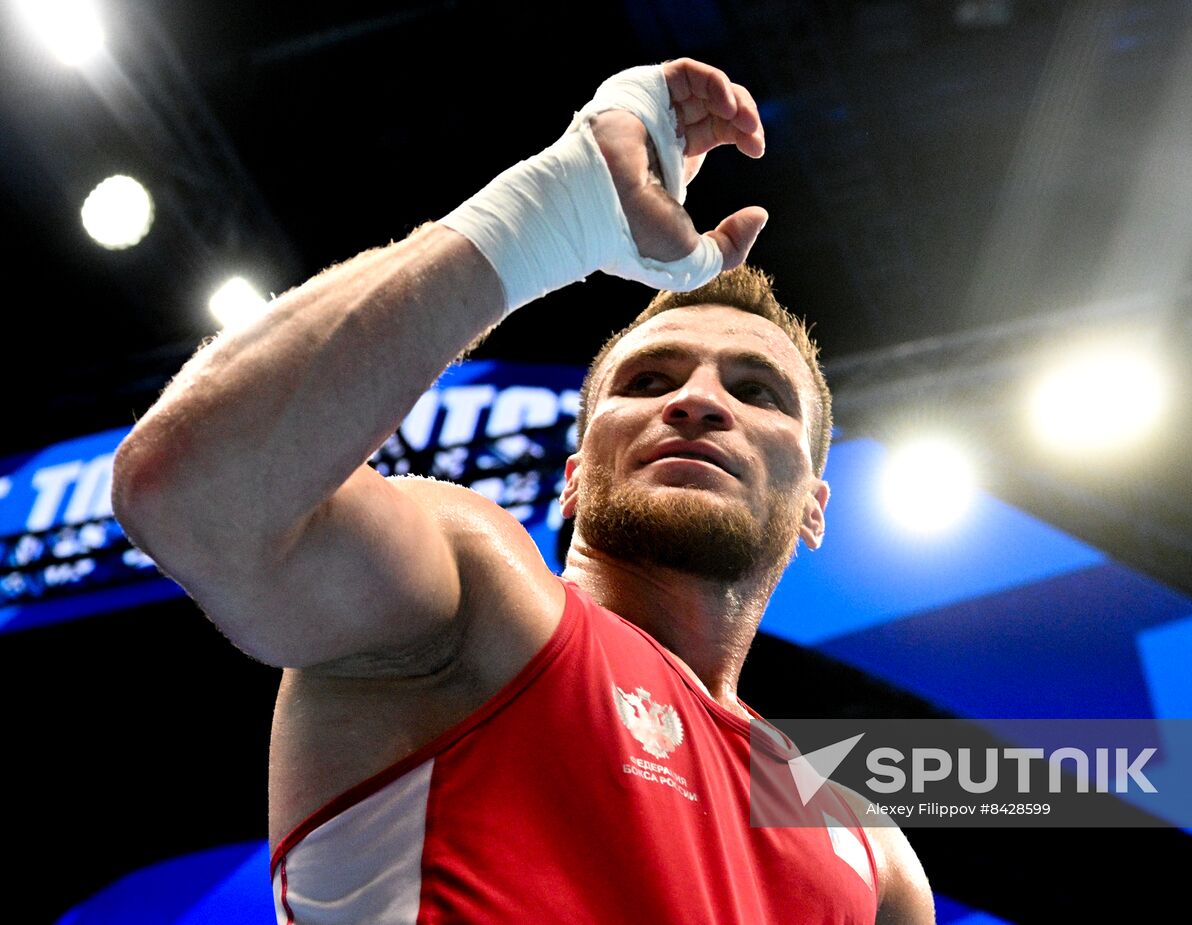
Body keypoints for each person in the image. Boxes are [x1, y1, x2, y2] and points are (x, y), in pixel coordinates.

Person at [112, 58, 935, 923]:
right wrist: (544, 212)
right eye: (648, 381)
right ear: (576, 479)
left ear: (814, 505)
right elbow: (189, 488)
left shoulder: (866, 845)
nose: (696, 400)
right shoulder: (474, 596)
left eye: (757, 391)